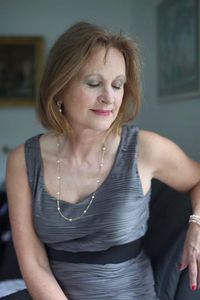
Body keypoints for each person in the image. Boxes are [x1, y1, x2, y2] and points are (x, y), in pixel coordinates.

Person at [6, 21, 200, 300]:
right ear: (59, 87)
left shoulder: (146, 148)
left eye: (118, 85)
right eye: (94, 83)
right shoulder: (22, 161)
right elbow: (33, 263)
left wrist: (197, 223)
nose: (109, 98)